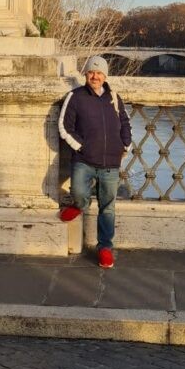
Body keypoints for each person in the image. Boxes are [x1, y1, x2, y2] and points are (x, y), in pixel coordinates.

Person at [58, 55, 131, 269]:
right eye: (91, 72)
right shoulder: (75, 97)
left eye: (99, 73)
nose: (95, 76)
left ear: (105, 75)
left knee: (108, 207)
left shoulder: (114, 98)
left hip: (111, 163)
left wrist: (125, 145)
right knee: (79, 192)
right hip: (84, 160)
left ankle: (105, 248)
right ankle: (79, 205)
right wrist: (81, 147)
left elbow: (125, 123)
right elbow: (64, 126)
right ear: (86, 74)